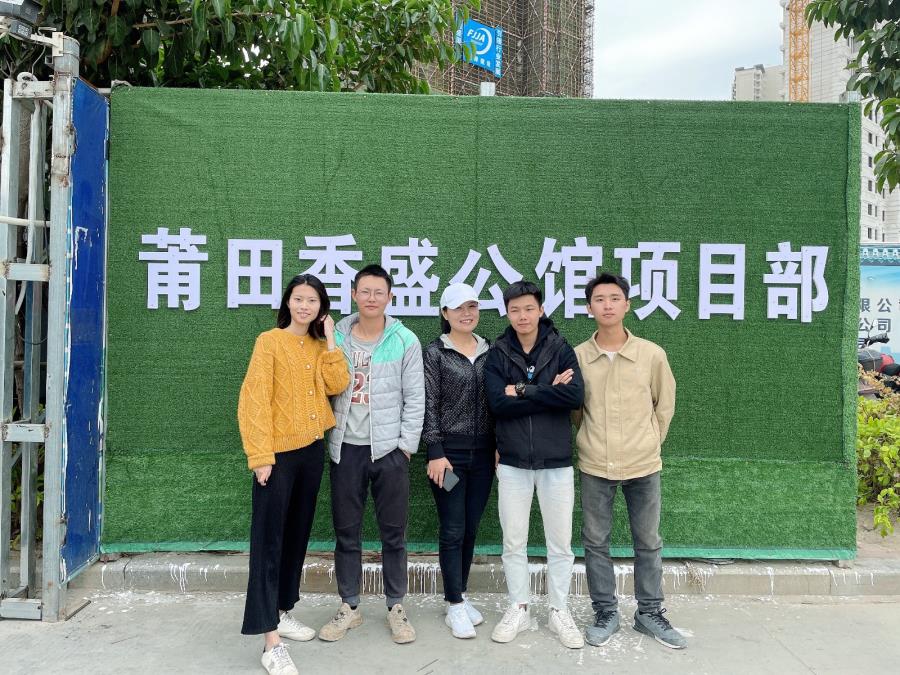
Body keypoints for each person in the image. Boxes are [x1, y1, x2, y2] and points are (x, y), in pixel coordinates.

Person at [237, 274, 350, 675]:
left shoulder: (320, 346)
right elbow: (253, 400)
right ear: (288, 302)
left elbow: (338, 383)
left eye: (313, 300)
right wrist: (260, 456)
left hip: (311, 452)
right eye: (299, 299)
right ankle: (270, 641)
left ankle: (282, 610)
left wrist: (331, 339)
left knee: (296, 537)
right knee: (268, 543)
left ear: (322, 308)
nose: (305, 306)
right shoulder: (269, 341)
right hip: (277, 457)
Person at [573, 272, 685, 649]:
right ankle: (605, 612)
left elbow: (664, 406)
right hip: (595, 463)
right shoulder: (579, 356)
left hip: (643, 464)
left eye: (614, 298)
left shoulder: (651, 354)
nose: (607, 305)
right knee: (595, 541)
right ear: (589, 308)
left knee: (648, 541)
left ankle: (649, 613)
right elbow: (576, 411)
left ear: (627, 305)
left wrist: (649, 441)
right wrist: (591, 440)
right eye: (599, 299)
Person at [318, 264, 424, 645]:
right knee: (347, 533)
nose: (372, 298)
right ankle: (349, 606)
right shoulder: (336, 337)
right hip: (346, 449)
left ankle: (396, 606)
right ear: (353, 294)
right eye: (365, 291)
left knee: (393, 534)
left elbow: (416, 398)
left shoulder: (405, 340)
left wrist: (405, 448)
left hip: (389, 453)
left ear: (390, 297)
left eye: (379, 292)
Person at [484, 280, 585, 649]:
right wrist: (548, 391)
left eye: (529, 308)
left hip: (556, 462)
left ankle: (559, 610)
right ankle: (520, 608)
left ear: (540, 310)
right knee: (514, 541)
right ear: (507, 313)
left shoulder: (560, 348)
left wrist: (523, 389)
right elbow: (497, 403)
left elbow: (574, 395)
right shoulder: (498, 353)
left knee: (560, 543)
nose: (522, 316)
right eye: (515, 310)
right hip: (512, 463)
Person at [423, 283, 495, 639]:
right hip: (448, 460)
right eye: (458, 308)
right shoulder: (435, 353)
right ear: (445, 313)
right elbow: (428, 404)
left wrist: (498, 445)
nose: (466, 314)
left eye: (472, 306)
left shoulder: (490, 350)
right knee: (452, 528)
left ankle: (460, 595)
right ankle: (453, 604)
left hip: (482, 457)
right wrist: (435, 452)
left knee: (470, 527)